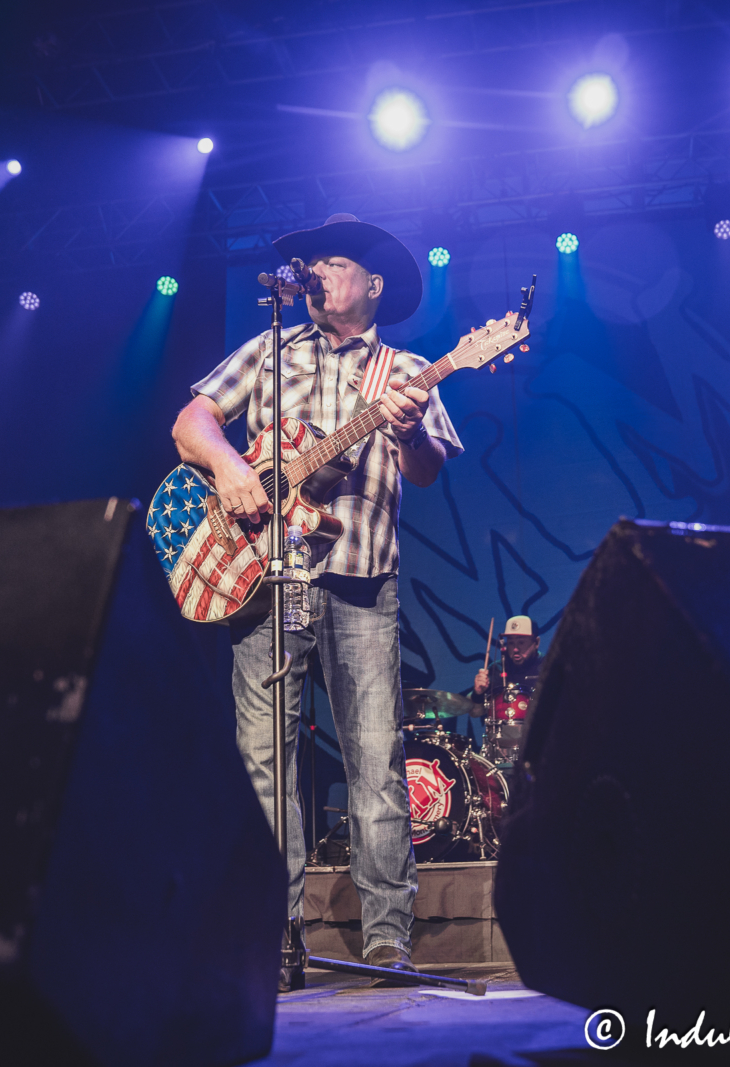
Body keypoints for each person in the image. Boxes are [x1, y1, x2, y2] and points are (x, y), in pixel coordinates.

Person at [171, 214, 464, 991]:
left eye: (331, 264)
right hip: (264, 580)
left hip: (362, 581)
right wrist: (232, 469)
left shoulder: (403, 369)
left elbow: (428, 471)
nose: (314, 274)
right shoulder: (269, 350)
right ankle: (271, 937)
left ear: (371, 285)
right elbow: (190, 421)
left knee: (376, 761)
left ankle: (387, 941)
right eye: (311, 265)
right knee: (264, 764)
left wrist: (406, 436)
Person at [472, 615, 542, 699]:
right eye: (511, 643)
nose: (515, 649)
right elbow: (476, 711)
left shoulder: (549, 666)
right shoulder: (497, 669)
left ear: (536, 643)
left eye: (521, 643)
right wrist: (478, 693)